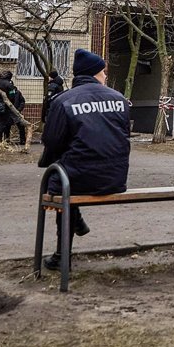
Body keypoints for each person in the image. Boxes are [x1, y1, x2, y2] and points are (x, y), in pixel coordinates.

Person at [38, 49, 131, 270]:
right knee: (64, 184)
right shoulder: (119, 99)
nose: (106, 76)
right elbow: (123, 135)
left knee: (59, 185)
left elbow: (51, 140)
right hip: (116, 177)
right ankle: (75, 224)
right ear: (94, 74)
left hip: (77, 178)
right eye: (103, 72)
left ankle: (62, 256)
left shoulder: (64, 101)